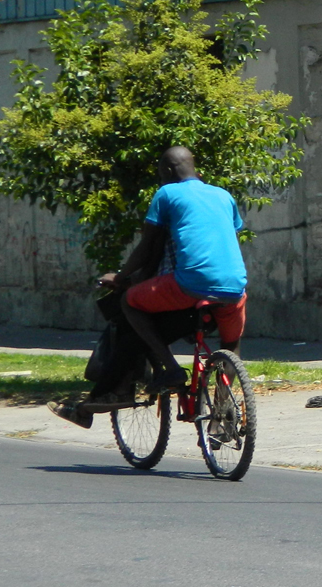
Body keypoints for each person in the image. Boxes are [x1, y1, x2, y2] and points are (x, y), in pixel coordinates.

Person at [49, 146, 248, 428]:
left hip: (188, 287)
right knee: (231, 344)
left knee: (129, 303)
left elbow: (146, 249)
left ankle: (170, 369)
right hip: (234, 287)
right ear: (197, 170)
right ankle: (222, 412)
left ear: (166, 172)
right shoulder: (224, 196)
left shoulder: (167, 195)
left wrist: (121, 277)